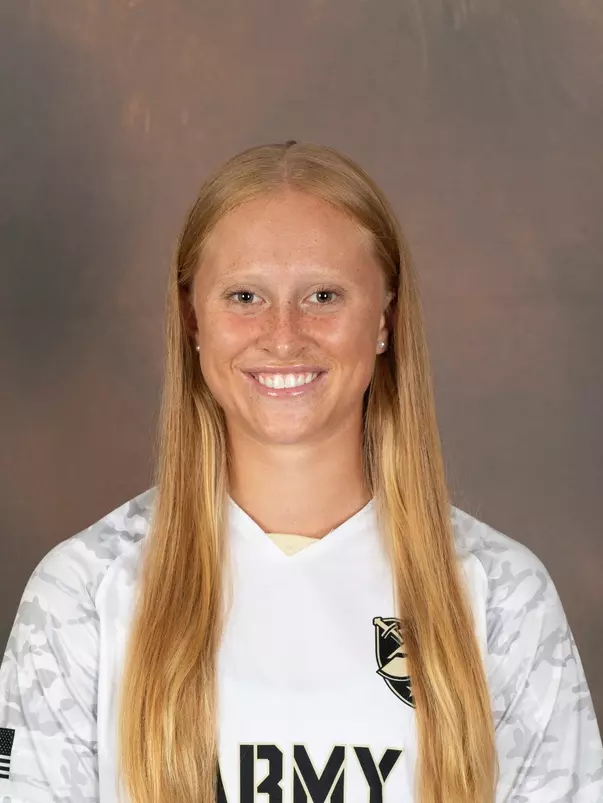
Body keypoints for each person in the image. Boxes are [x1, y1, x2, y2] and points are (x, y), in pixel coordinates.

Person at [0, 141, 601, 803]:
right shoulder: (83, 595)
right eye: (245, 295)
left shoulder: (501, 598)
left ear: (384, 318)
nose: (283, 336)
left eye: (322, 294)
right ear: (191, 318)